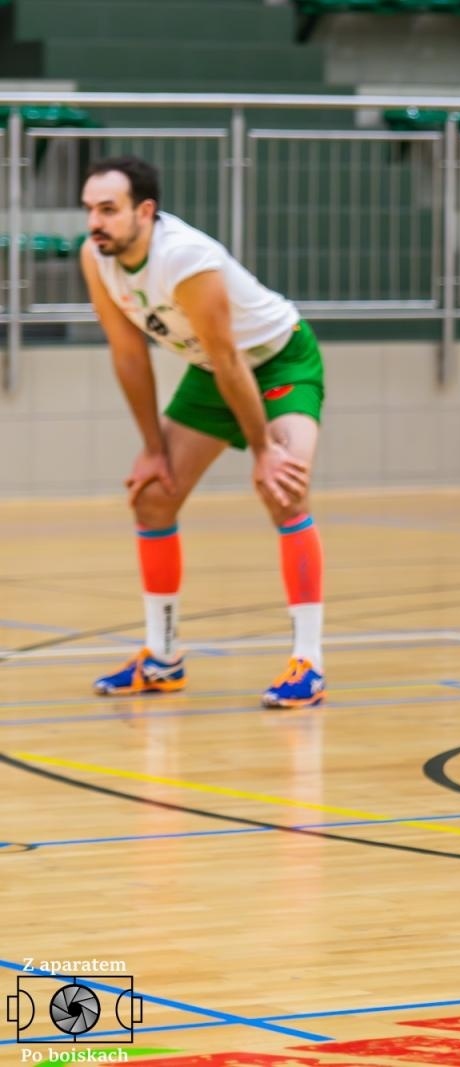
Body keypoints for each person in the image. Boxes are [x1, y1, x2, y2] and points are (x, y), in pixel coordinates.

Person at [80, 156, 328, 709]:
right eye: (90, 209)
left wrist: (262, 450)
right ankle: (162, 659)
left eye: (108, 210)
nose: (95, 222)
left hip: (279, 361)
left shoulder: (186, 259)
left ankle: (308, 663)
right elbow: (128, 354)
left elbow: (231, 356)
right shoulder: (97, 259)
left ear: (145, 212)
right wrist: (151, 449)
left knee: (283, 490)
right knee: (152, 499)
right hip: (217, 373)